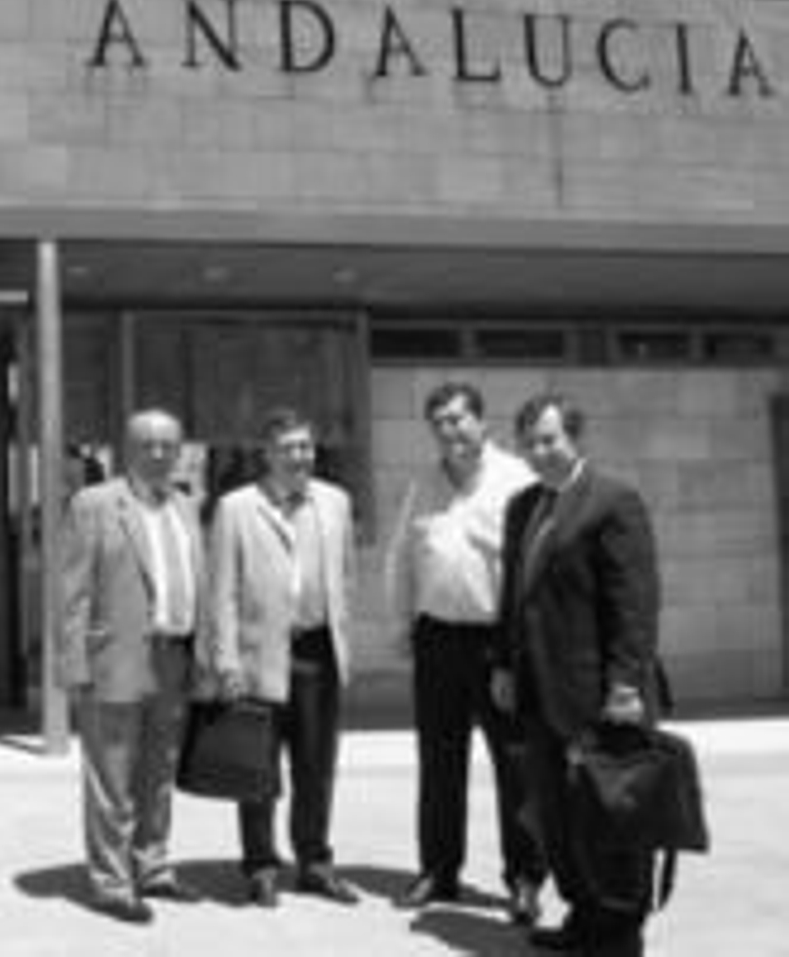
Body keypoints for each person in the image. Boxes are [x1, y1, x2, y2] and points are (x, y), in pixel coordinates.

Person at [493, 393, 663, 957]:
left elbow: (635, 605)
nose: (539, 452)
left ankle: (619, 934)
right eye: (530, 443)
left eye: (550, 440)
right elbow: (513, 598)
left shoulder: (613, 501)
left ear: (575, 438)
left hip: (601, 698)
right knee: (559, 818)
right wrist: (503, 664)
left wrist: (626, 685)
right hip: (541, 696)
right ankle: (584, 919)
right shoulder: (523, 507)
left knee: (609, 819)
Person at [384, 383, 546, 922]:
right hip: (437, 640)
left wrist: (519, 652)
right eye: (439, 423)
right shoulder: (423, 485)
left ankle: (524, 878)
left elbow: (534, 573)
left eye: (457, 420)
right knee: (438, 763)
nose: (449, 432)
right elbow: (403, 558)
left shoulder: (517, 481)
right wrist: (402, 623)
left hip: (498, 642)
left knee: (515, 766)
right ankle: (438, 871)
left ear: (481, 421)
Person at [201, 406, 359, 909]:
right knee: (256, 766)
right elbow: (220, 591)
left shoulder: (335, 502)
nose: (299, 457)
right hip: (258, 655)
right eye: (288, 448)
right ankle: (261, 865)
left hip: (317, 651)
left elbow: (347, 578)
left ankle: (314, 862)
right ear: (266, 454)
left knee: (317, 766)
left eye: (306, 447)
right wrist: (224, 660)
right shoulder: (235, 508)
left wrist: (344, 640)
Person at [59, 408, 204, 925]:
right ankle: (112, 882)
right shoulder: (94, 505)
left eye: (169, 444)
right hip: (114, 659)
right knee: (112, 777)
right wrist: (72, 664)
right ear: (127, 449)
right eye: (148, 444)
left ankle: (153, 867)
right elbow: (71, 592)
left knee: (158, 771)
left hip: (174, 656)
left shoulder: (187, 506)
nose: (160, 453)